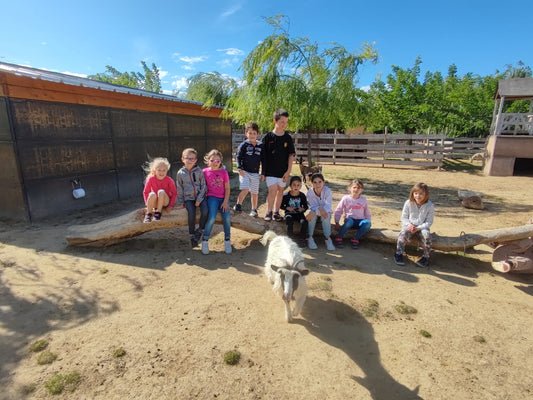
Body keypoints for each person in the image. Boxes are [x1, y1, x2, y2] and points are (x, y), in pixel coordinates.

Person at [261, 108, 295, 222]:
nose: (284, 124)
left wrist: (288, 171)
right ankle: (269, 211)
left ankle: (276, 212)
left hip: (283, 171)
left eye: (286, 122)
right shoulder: (268, 137)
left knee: (280, 190)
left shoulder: (288, 138)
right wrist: (263, 172)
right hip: (270, 171)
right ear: (275, 121)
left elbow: (291, 155)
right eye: (282, 122)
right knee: (272, 190)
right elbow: (263, 156)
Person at [394, 183, 434, 268]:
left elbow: (429, 222)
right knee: (402, 235)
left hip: (422, 227)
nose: (418, 196)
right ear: (412, 193)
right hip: (409, 225)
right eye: (416, 193)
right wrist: (409, 225)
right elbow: (404, 218)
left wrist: (418, 228)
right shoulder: (408, 203)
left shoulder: (430, 205)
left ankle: (426, 257)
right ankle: (399, 253)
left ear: (426, 194)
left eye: (421, 194)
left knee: (427, 237)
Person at [201, 149, 231, 255]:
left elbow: (227, 188)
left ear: (220, 162)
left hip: (223, 198)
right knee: (212, 217)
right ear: (208, 160)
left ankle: (227, 240)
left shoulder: (223, 172)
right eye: (212, 160)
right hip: (212, 198)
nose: (215, 163)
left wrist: (226, 202)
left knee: (226, 217)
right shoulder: (204, 172)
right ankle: (205, 240)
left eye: (217, 161)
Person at [176, 148, 208, 248]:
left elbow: (204, 186)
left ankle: (200, 229)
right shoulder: (180, 173)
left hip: (200, 197)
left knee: (205, 210)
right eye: (188, 158)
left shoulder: (199, 171)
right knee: (191, 213)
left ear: (196, 160)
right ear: (182, 159)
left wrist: (199, 199)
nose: (190, 161)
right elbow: (179, 187)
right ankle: (192, 235)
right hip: (188, 198)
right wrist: (181, 201)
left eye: (192, 159)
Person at [233, 121, 263, 217]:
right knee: (245, 189)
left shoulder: (261, 146)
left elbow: (264, 160)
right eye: (250, 133)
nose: (252, 135)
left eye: (254, 133)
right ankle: (238, 205)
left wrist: (263, 172)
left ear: (257, 134)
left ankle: (254, 209)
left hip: (255, 173)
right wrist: (239, 168)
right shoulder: (244, 145)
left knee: (254, 192)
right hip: (244, 172)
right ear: (246, 134)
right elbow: (238, 157)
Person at [334, 179, 372, 249]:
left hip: (360, 221)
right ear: (350, 188)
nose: (356, 189)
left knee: (367, 223)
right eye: (354, 187)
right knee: (350, 222)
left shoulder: (363, 200)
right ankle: (339, 237)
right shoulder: (346, 198)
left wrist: (368, 223)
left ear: (362, 190)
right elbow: (339, 210)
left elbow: (367, 212)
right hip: (349, 220)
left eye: (359, 188)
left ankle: (355, 238)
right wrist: (337, 222)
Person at [306, 173, 336, 251]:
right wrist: (319, 208)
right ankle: (310, 237)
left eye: (320, 182)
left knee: (326, 216)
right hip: (315, 209)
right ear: (312, 183)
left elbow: (328, 206)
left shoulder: (327, 191)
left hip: (325, 211)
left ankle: (327, 238)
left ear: (324, 182)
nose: (317, 184)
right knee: (311, 217)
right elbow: (312, 206)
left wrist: (317, 212)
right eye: (315, 182)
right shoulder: (310, 192)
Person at [142, 157, 177, 223]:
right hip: (155, 202)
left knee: (161, 192)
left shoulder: (169, 180)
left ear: (167, 170)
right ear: (155, 170)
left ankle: (158, 213)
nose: (162, 172)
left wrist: (171, 205)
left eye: (164, 170)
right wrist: (148, 204)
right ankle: (148, 214)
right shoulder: (151, 179)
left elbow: (174, 193)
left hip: (165, 201)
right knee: (152, 194)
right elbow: (145, 192)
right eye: (159, 170)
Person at [280, 175, 308, 246]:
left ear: (301, 186)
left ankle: (302, 238)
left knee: (304, 222)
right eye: (294, 185)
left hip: (299, 214)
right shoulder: (286, 196)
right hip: (290, 213)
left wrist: (303, 209)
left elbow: (306, 206)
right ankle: (290, 238)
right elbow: (281, 205)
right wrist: (287, 208)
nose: (296, 187)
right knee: (289, 221)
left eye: (298, 185)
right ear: (290, 186)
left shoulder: (302, 196)